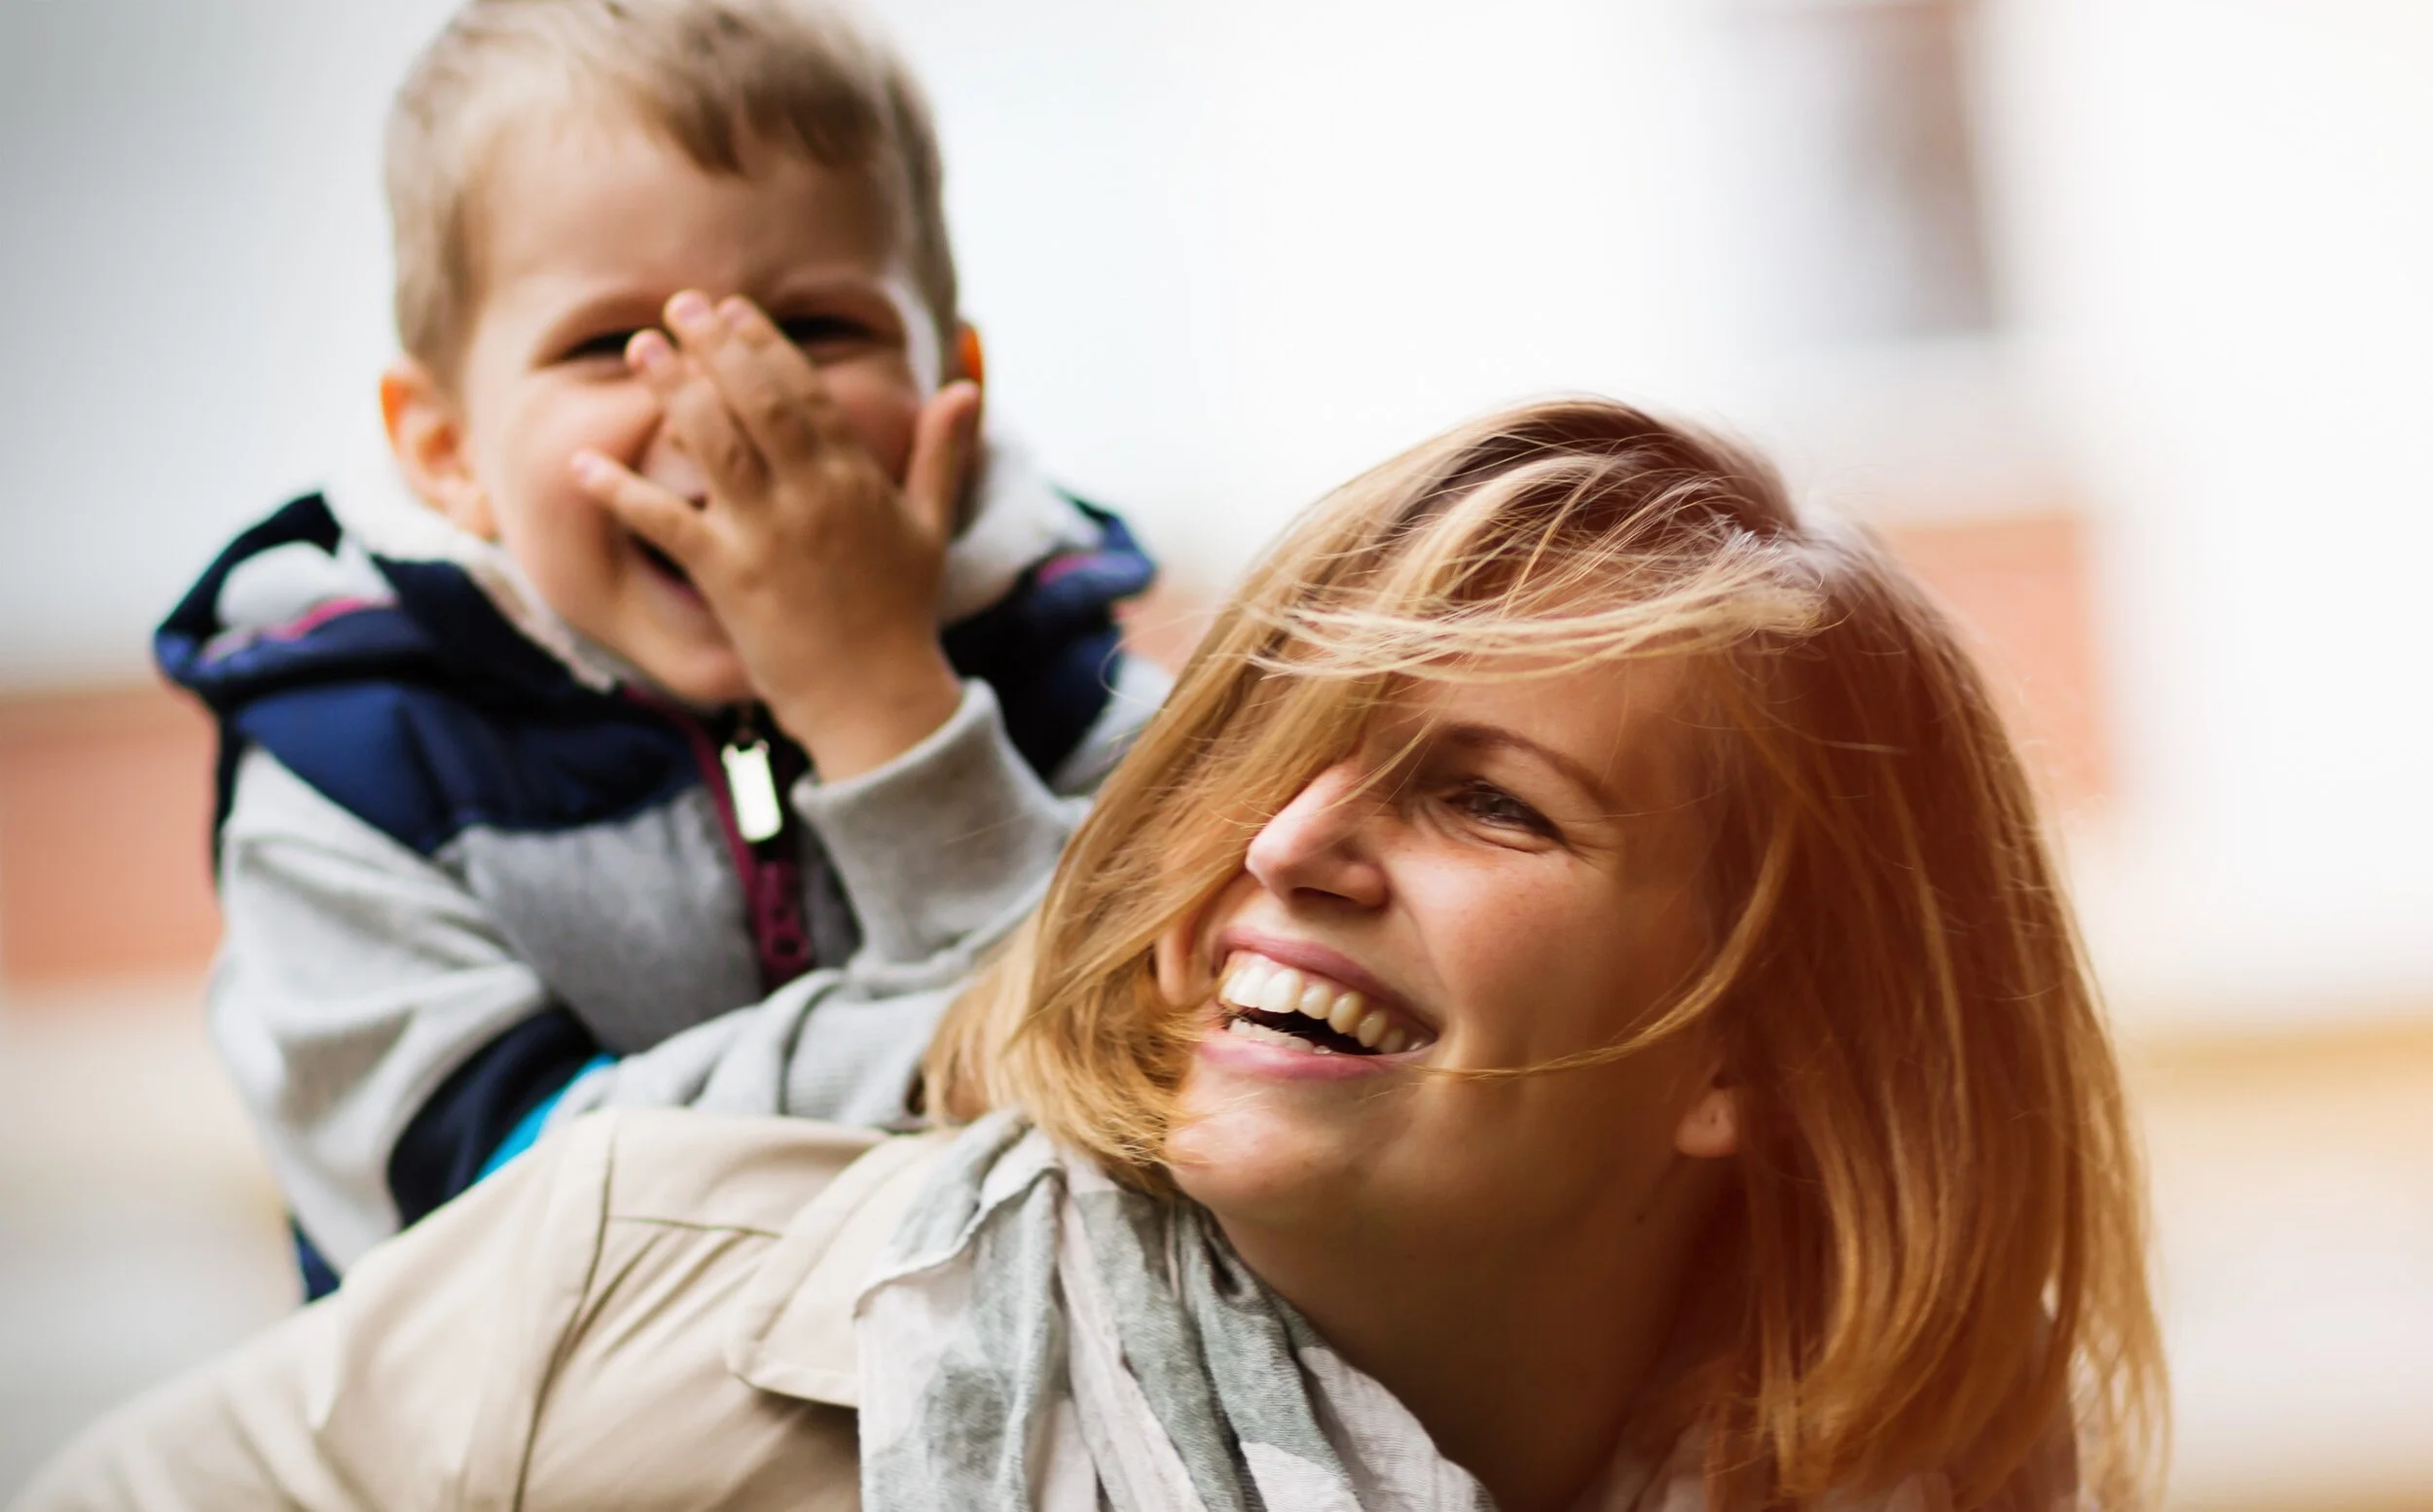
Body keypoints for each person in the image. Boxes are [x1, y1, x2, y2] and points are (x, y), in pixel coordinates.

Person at [37, 399, 2164, 1511]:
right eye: (1270, 745)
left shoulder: (1948, 1475)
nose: (1287, 839)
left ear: (1752, 1054)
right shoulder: (630, 1295)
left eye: (1483, 798)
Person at [152, 0, 1163, 1295]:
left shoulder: (1085, 691)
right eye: (606, 345)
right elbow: (510, 1232)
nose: (722, 407)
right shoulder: (347, 774)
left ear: (950, 379)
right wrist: (943, 1056)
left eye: (814, 331)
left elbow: (1140, 1072)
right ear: (446, 448)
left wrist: (889, 711)